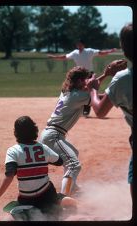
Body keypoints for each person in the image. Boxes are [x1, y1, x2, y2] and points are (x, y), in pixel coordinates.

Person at [39, 61, 126, 196]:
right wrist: (118, 91)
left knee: (73, 153)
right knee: (74, 164)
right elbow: (97, 96)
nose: (89, 80)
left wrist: (105, 75)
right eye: (86, 79)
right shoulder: (78, 96)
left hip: (51, 134)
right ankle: (64, 196)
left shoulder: (68, 91)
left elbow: (89, 89)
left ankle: (71, 186)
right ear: (80, 81)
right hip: (53, 135)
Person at [0, 116, 77, 218]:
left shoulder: (13, 151)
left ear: (16, 132)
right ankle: (59, 200)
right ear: (34, 130)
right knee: (55, 209)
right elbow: (59, 162)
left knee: (25, 213)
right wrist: (43, 158)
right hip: (47, 195)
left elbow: (9, 175)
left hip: (26, 199)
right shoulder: (43, 148)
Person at [86, 23, 133, 198]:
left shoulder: (122, 79)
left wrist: (92, 89)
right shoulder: (121, 80)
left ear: (124, 47)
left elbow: (99, 110)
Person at [48, 39, 117, 117]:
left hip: (89, 74)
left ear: (84, 45)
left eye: (80, 44)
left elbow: (100, 53)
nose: (79, 46)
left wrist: (110, 51)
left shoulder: (89, 51)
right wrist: (54, 57)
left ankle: (86, 110)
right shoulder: (75, 53)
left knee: (88, 92)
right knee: (79, 92)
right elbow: (64, 57)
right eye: (78, 44)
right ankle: (80, 108)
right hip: (79, 75)